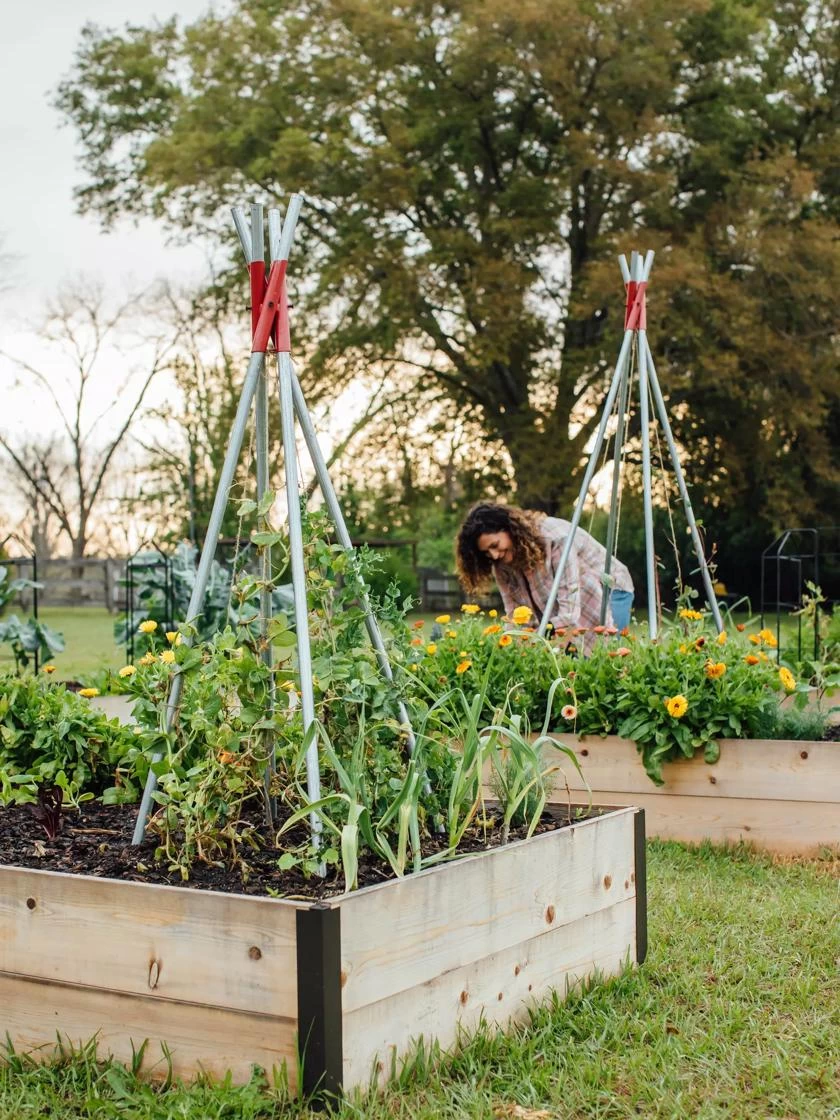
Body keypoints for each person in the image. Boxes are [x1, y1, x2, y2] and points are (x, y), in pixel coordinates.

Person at [455, 502, 634, 648]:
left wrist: (557, 647)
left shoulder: (553, 538)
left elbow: (569, 596)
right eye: (486, 553)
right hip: (568, 600)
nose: (494, 555)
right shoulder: (501, 564)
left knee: (607, 654)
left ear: (507, 529)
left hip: (607, 588)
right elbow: (515, 613)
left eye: (494, 545)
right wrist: (518, 646)